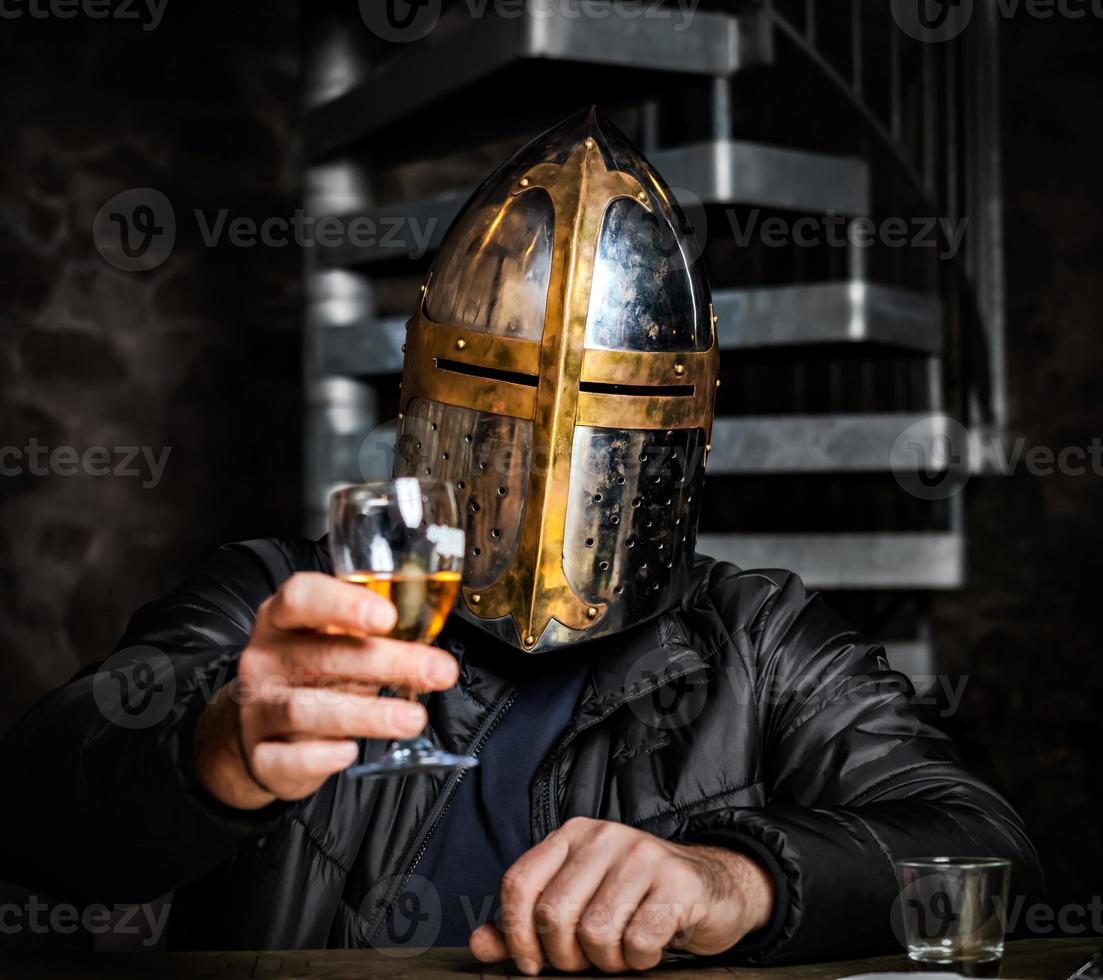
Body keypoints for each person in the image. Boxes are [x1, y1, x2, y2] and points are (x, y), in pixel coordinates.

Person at [0, 110, 1042, 974]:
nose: (548, 450)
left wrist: (734, 877)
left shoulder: (756, 637)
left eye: (612, 401)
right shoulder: (286, 601)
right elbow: (39, 811)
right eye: (495, 385)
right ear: (423, 388)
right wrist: (213, 747)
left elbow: (982, 849)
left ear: (681, 422)